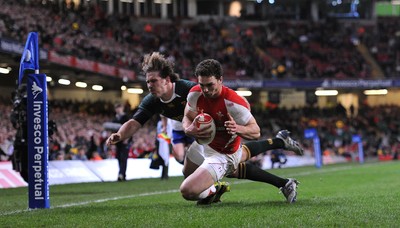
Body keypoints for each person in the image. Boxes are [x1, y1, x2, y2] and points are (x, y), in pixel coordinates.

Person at [106, 52, 302, 202]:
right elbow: (137, 121)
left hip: (222, 139)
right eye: (147, 81)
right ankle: (278, 145)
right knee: (189, 171)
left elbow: (242, 112)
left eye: (153, 81)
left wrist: (237, 125)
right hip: (201, 140)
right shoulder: (166, 98)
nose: (149, 85)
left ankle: (279, 175)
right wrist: (119, 135)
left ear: (167, 80)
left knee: (218, 173)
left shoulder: (190, 89)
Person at [180, 59, 300, 204]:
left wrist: (238, 128)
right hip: (204, 145)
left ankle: (213, 191)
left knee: (188, 190)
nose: (205, 90)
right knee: (187, 174)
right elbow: (187, 115)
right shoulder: (195, 93)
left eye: (210, 85)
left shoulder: (233, 103)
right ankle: (280, 144)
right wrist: (188, 128)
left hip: (223, 154)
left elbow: (256, 132)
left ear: (220, 80)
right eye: (202, 85)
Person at [113, 103, 131, 181]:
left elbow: (130, 128)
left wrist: (127, 139)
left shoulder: (126, 117)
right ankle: (122, 174)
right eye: (116, 108)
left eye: (119, 107)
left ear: (122, 108)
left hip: (125, 140)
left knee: (124, 157)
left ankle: (121, 174)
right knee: (118, 157)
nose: (118, 109)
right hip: (118, 141)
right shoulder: (115, 118)